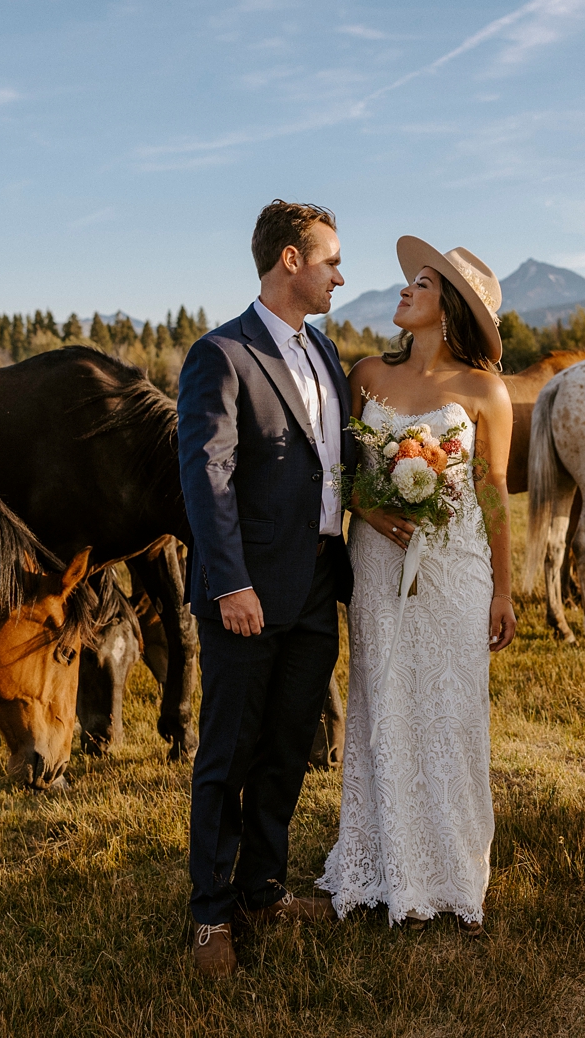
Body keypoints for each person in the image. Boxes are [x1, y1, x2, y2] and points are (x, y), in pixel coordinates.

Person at [316, 235, 517, 935]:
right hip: (376, 561)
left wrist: (503, 589)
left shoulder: (487, 391)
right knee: (385, 702)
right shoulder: (368, 373)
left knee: (451, 713)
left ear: (451, 308)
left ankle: (450, 872)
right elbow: (336, 467)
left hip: (454, 569)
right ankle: (378, 866)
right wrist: (368, 510)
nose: (405, 289)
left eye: (422, 283)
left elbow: (492, 492)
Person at [177, 200, 355, 978]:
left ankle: (264, 887)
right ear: (290, 260)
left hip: (319, 582)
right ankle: (209, 917)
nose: (339, 276)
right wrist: (230, 584)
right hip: (246, 591)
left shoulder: (325, 354)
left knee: (288, 747)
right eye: (330, 260)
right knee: (230, 751)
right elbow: (205, 478)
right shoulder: (221, 354)